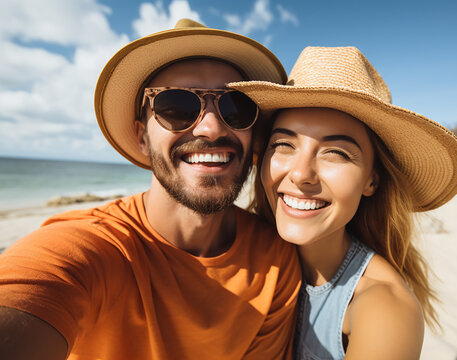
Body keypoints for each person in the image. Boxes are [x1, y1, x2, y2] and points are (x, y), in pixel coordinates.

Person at [0, 19, 301, 360]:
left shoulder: (274, 258)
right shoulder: (91, 249)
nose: (212, 127)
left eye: (236, 107)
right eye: (177, 107)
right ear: (142, 137)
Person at [230, 46, 457, 359]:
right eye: (284, 145)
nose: (301, 174)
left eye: (336, 153)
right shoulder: (240, 246)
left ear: (372, 180)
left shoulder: (383, 307)